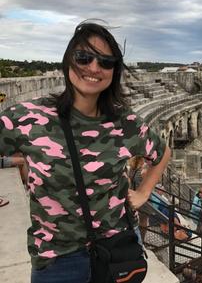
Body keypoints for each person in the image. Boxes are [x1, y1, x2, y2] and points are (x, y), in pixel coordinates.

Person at [0, 21, 171, 283]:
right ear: (68, 61)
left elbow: (162, 153)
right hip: (57, 259)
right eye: (84, 57)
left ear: (114, 71)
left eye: (105, 62)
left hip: (117, 249)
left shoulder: (126, 123)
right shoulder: (27, 118)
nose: (94, 68)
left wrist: (144, 192)